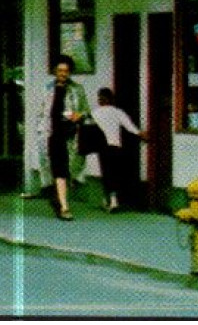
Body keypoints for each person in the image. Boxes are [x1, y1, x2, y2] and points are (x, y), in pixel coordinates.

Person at [38, 55, 90, 220]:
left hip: (69, 135)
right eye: (60, 70)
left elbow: (87, 112)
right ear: (54, 71)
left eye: (66, 71)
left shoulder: (77, 89)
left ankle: (61, 202)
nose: (63, 73)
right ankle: (63, 206)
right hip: (50, 135)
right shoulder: (47, 89)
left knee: (65, 171)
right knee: (56, 170)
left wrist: (78, 115)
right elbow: (41, 113)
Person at [90, 87, 146, 213]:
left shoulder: (95, 113)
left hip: (102, 147)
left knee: (106, 174)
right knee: (115, 173)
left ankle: (111, 200)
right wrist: (141, 134)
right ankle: (112, 200)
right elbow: (129, 126)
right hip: (115, 146)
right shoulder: (118, 112)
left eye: (100, 97)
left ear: (101, 99)